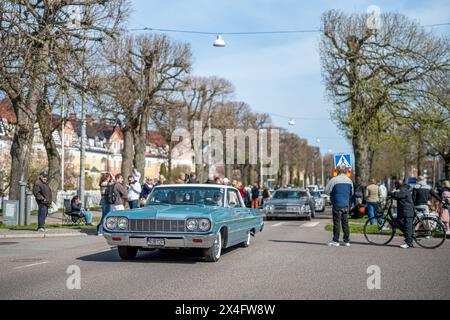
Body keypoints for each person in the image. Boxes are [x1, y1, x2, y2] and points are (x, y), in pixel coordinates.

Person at [325, 164, 353, 247]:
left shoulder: (334, 180)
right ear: (346, 171)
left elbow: (326, 191)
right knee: (345, 222)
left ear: (338, 170)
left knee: (337, 222)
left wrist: (333, 193)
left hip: (337, 204)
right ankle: (346, 240)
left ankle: (335, 240)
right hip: (346, 204)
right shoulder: (349, 181)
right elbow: (352, 193)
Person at [390, 179, 415, 249]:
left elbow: (398, 195)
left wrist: (390, 193)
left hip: (407, 211)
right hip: (405, 210)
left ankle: (408, 242)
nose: (395, 186)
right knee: (399, 221)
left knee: (407, 226)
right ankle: (409, 236)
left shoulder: (402, 189)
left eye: (395, 185)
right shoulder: (403, 188)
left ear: (397, 184)